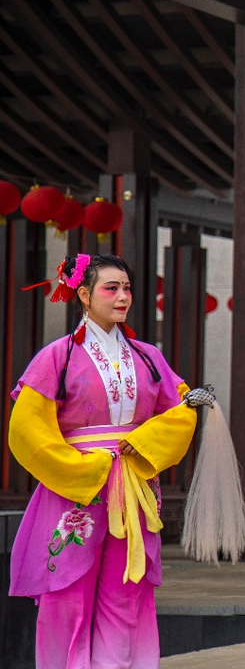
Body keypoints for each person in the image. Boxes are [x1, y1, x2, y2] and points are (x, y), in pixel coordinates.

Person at [8, 253, 198, 668]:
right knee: (67, 592)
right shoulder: (55, 357)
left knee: (127, 591)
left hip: (131, 486)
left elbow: (180, 409)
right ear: (83, 295)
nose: (123, 296)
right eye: (111, 288)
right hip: (76, 486)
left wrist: (147, 442)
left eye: (127, 287)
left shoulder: (148, 356)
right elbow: (27, 429)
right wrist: (81, 469)